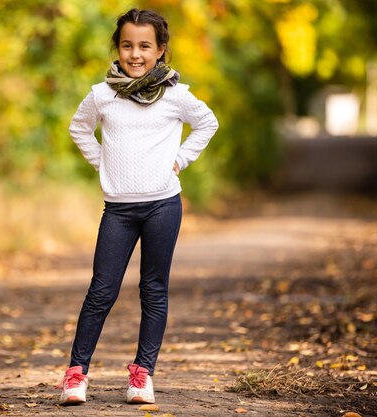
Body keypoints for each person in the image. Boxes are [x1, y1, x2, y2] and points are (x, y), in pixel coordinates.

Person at [57, 8, 219, 406]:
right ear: (118, 47)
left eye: (145, 46)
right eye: (127, 45)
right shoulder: (102, 95)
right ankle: (76, 376)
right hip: (119, 211)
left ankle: (142, 375)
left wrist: (180, 159)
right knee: (101, 291)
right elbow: (79, 128)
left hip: (163, 205)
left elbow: (208, 123)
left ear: (160, 50)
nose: (135, 54)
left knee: (153, 290)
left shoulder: (175, 95)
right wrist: (102, 162)